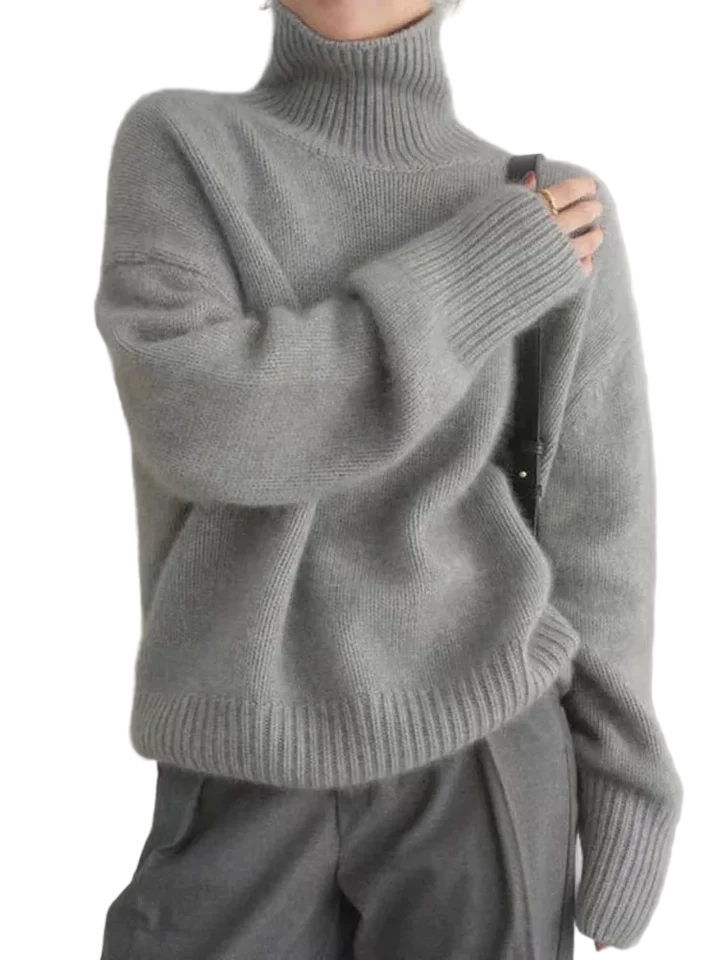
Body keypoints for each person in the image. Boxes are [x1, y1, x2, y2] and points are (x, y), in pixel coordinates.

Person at [94, 1, 683, 956]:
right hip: (239, 749)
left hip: (485, 743)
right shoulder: (182, 146)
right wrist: (476, 276)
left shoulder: (553, 204)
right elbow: (201, 422)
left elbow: (600, 525)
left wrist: (629, 779)